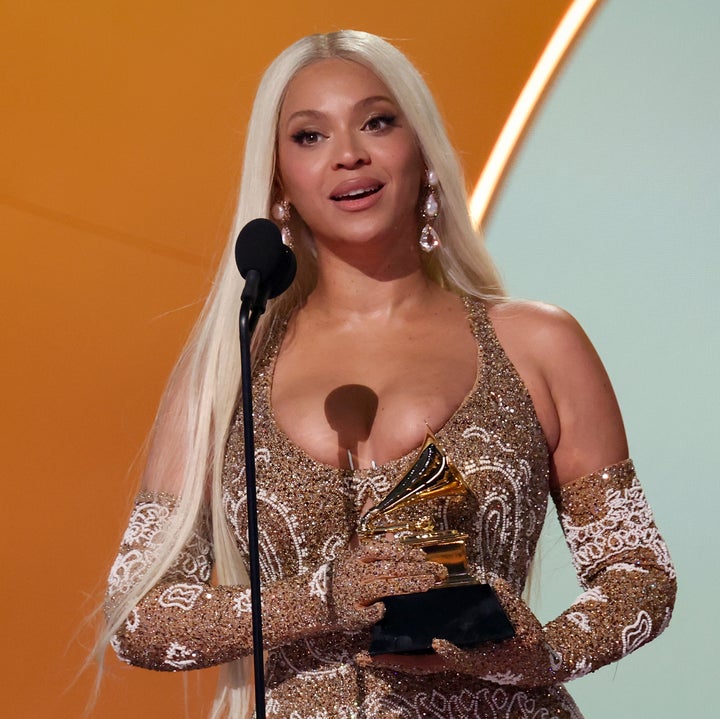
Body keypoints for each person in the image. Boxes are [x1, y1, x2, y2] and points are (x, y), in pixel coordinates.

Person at [102, 30, 676, 719]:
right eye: (309, 136)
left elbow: (639, 574)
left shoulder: (537, 342)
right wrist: (318, 597)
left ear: (423, 149)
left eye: (377, 121)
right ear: (279, 179)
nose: (349, 153)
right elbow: (140, 613)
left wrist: (539, 652)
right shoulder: (227, 372)